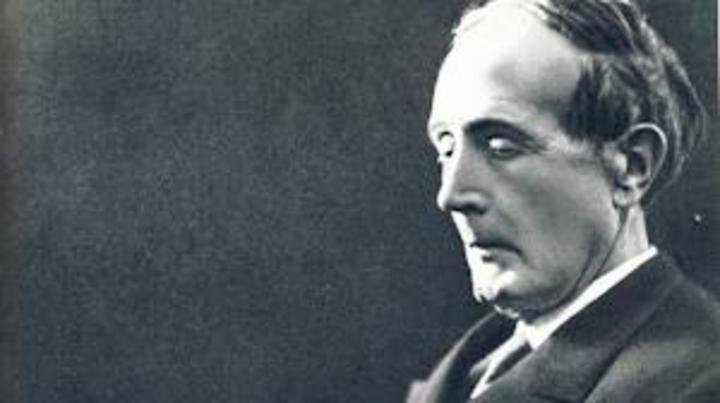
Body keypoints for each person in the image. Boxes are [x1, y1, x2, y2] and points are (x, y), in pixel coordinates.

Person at [407, 0, 720, 402]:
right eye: (447, 149)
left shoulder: (698, 383)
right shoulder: (471, 365)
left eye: (501, 147)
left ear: (632, 165)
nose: (450, 195)